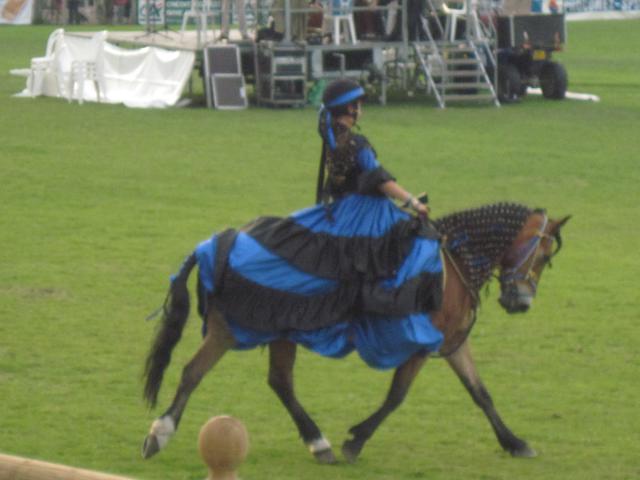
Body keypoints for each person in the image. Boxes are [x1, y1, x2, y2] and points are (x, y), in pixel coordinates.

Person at [196, 78, 445, 368]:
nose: (361, 109)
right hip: (364, 215)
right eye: (358, 104)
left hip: (339, 211)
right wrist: (413, 202)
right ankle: (390, 320)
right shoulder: (355, 143)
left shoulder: (332, 138)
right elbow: (381, 180)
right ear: (348, 109)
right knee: (415, 242)